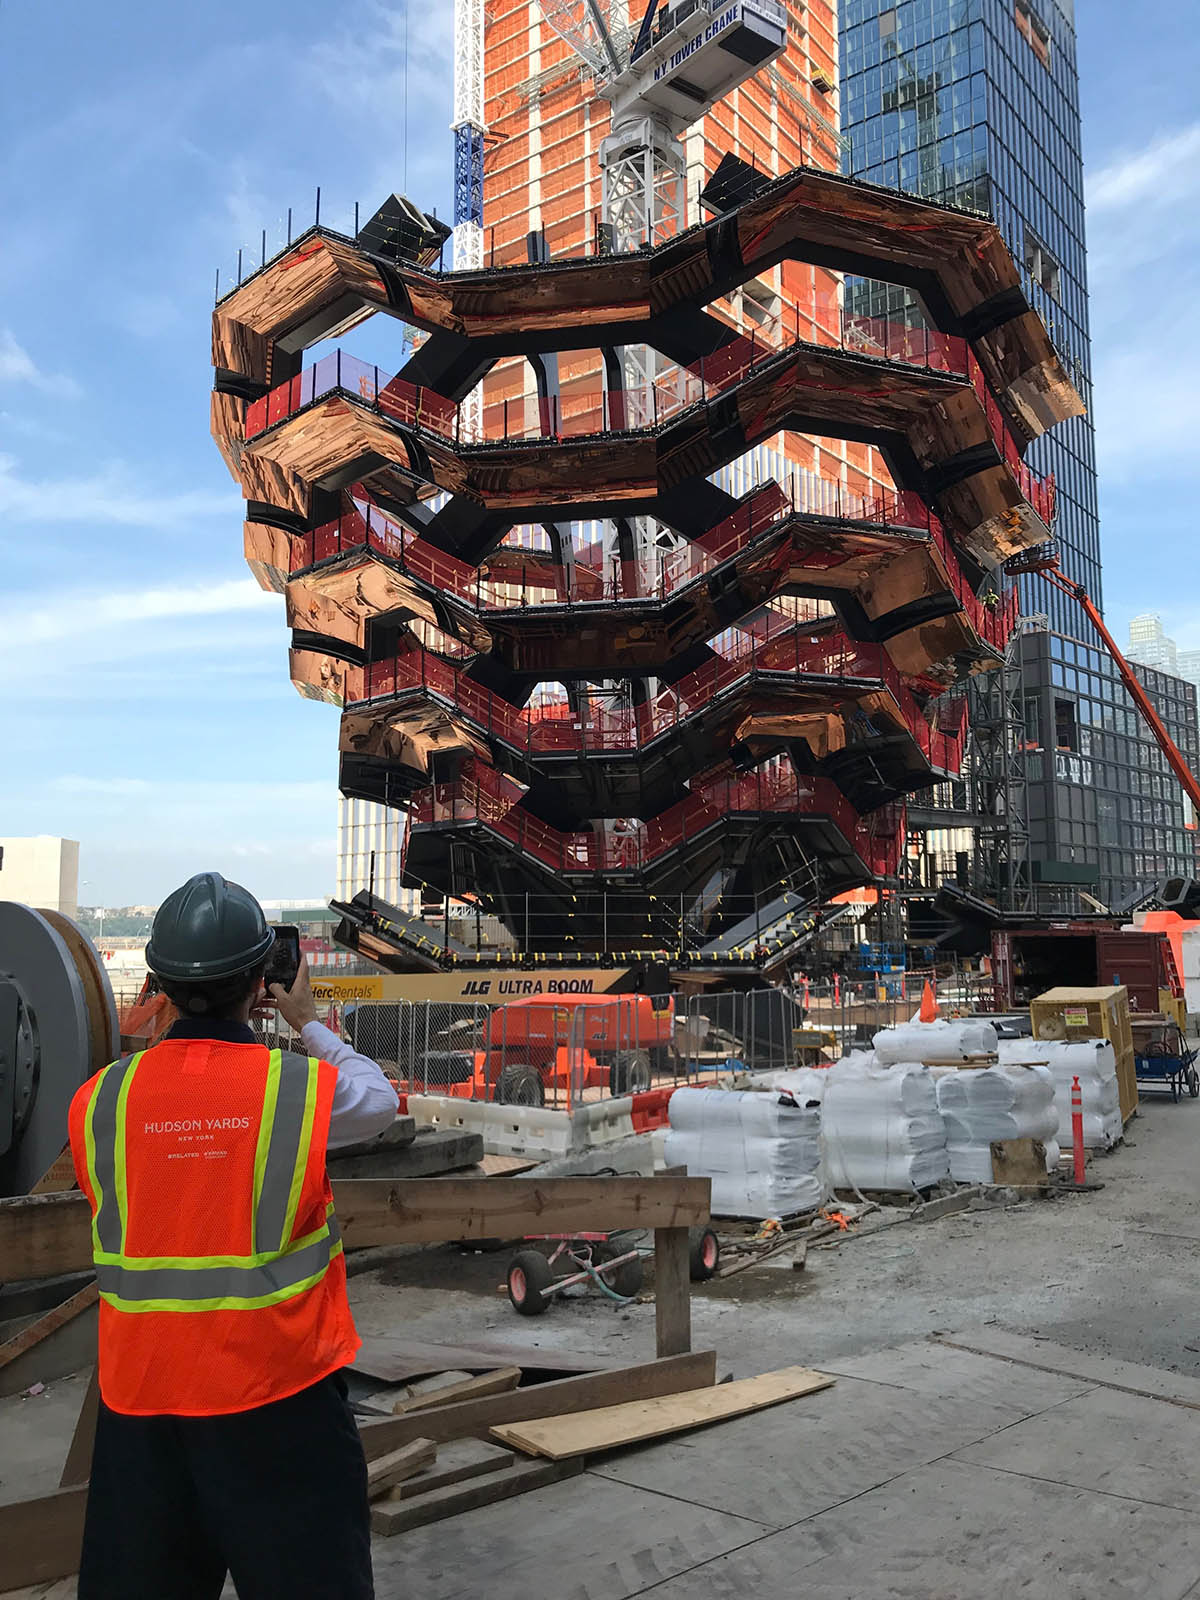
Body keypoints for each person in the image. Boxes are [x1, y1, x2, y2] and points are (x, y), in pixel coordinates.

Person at [67, 872, 398, 1600]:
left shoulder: (99, 1103)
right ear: (259, 983)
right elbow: (379, 1100)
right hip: (279, 1402)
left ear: (157, 980)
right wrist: (309, 1021)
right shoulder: (297, 1091)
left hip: (142, 1413)